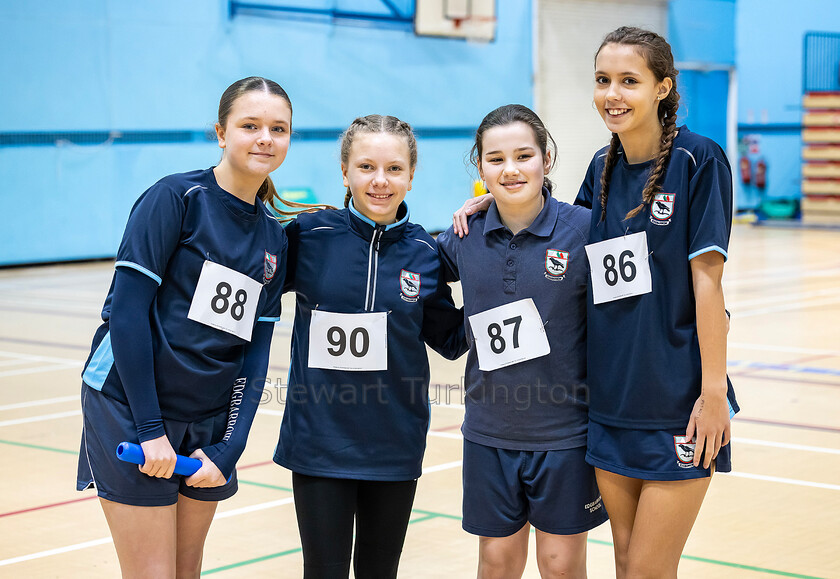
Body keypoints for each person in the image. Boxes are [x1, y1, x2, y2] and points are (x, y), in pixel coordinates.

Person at [454, 27, 739, 578]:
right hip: (607, 406)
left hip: (677, 401)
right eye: (603, 80)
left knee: (648, 572)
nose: (613, 93)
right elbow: (555, 233)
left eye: (629, 81)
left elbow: (709, 285)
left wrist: (711, 392)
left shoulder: (699, 159)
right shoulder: (599, 170)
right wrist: (499, 194)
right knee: (626, 564)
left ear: (663, 87)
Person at [77, 76, 296, 578]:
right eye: (250, 125)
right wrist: (150, 430)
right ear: (221, 133)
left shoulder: (272, 238)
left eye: (278, 128)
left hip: (207, 416)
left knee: (185, 569)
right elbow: (127, 316)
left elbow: (254, 352)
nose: (265, 138)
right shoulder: (176, 198)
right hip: (129, 406)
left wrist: (229, 446)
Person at [272, 114, 467, 579]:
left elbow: (451, 339)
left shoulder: (425, 251)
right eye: (366, 167)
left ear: (411, 176)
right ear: (345, 172)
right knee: (324, 571)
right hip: (319, 440)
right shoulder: (309, 236)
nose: (380, 181)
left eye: (395, 169)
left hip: (394, 443)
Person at [436, 104, 607, 579]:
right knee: (496, 563)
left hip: (566, 436)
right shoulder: (462, 237)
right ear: (480, 167)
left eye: (523, 155)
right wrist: (453, 335)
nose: (510, 170)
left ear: (546, 160)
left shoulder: (585, 229)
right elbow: (415, 276)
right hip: (489, 432)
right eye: (495, 159)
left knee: (560, 566)